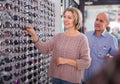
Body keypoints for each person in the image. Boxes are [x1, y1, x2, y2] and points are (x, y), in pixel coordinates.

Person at [25, 7, 91, 84]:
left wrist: (65, 61)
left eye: (69, 17)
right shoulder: (58, 36)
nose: (65, 19)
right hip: (55, 78)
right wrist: (34, 35)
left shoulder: (82, 39)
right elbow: (44, 49)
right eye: (64, 17)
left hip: (71, 80)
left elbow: (86, 62)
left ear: (76, 20)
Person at [84, 12, 118, 84]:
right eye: (97, 19)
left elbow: (116, 61)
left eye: (101, 21)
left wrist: (110, 58)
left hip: (100, 80)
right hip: (84, 79)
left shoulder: (112, 39)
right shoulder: (86, 35)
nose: (97, 22)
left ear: (107, 24)